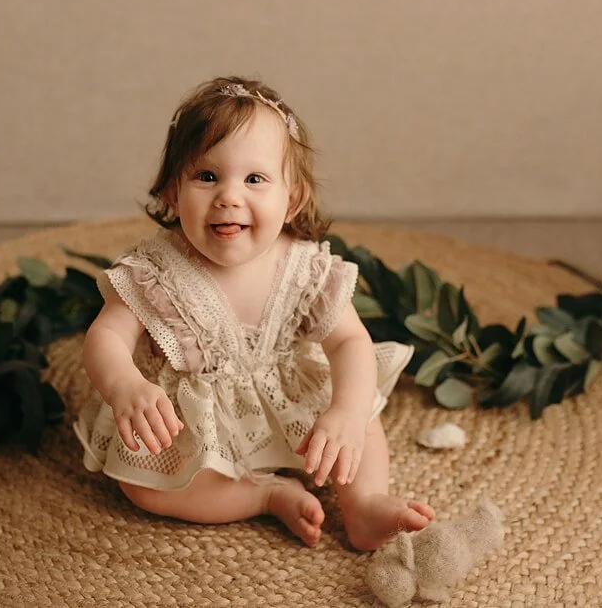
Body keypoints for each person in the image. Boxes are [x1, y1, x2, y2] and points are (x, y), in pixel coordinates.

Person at [74, 76, 435, 550]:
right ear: (170, 193)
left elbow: (349, 342)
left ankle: (364, 504)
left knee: (361, 410)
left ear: (293, 199)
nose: (229, 196)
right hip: (197, 421)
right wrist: (125, 385)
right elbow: (106, 337)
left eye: (255, 179)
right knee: (142, 484)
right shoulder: (154, 271)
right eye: (207, 176)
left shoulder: (305, 269)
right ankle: (263, 495)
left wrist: (345, 411)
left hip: (291, 399)